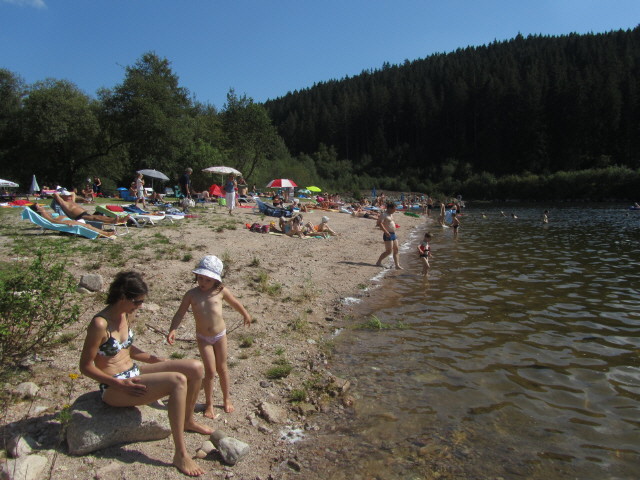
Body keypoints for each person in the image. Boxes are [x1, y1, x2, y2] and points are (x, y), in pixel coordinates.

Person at [79, 271, 212, 476]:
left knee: (195, 367)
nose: (140, 306)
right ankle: (180, 454)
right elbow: (86, 366)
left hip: (133, 372)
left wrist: (152, 358)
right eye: (137, 302)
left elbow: (126, 348)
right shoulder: (100, 324)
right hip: (115, 387)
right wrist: (117, 384)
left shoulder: (125, 314)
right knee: (177, 381)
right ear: (122, 297)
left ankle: (188, 421)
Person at [167, 256, 251, 418]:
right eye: (200, 278)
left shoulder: (221, 291)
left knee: (222, 368)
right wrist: (173, 329)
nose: (203, 282)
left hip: (220, 335)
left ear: (216, 280)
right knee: (210, 371)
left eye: (208, 280)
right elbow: (180, 313)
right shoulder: (191, 294)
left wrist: (245, 314)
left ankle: (226, 398)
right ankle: (209, 403)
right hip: (203, 338)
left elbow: (235, 302)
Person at [30, 204, 115, 238]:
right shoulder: (43, 214)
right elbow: (52, 222)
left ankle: (104, 233)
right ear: (37, 210)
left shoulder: (45, 212)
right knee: (87, 226)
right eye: (39, 206)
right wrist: (65, 223)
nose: (41, 206)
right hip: (65, 222)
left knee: (88, 225)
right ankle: (104, 233)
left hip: (67, 220)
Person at [51, 189, 129, 224]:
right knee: (96, 218)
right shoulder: (63, 203)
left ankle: (119, 220)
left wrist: (67, 193)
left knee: (99, 216)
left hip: (84, 214)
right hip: (79, 217)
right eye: (67, 195)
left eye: (69, 195)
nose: (69, 196)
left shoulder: (71, 201)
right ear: (62, 197)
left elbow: (73, 193)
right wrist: (60, 193)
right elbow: (55, 195)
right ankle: (113, 221)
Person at [375, 201, 402, 269]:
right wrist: (386, 231)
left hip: (393, 234)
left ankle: (397, 265)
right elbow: (379, 223)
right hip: (388, 234)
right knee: (388, 251)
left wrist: (395, 225)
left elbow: (390, 222)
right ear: (390, 208)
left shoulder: (391, 214)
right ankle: (378, 262)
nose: (395, 210)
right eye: (394, 209)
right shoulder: (384, 214)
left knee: (396, 249)